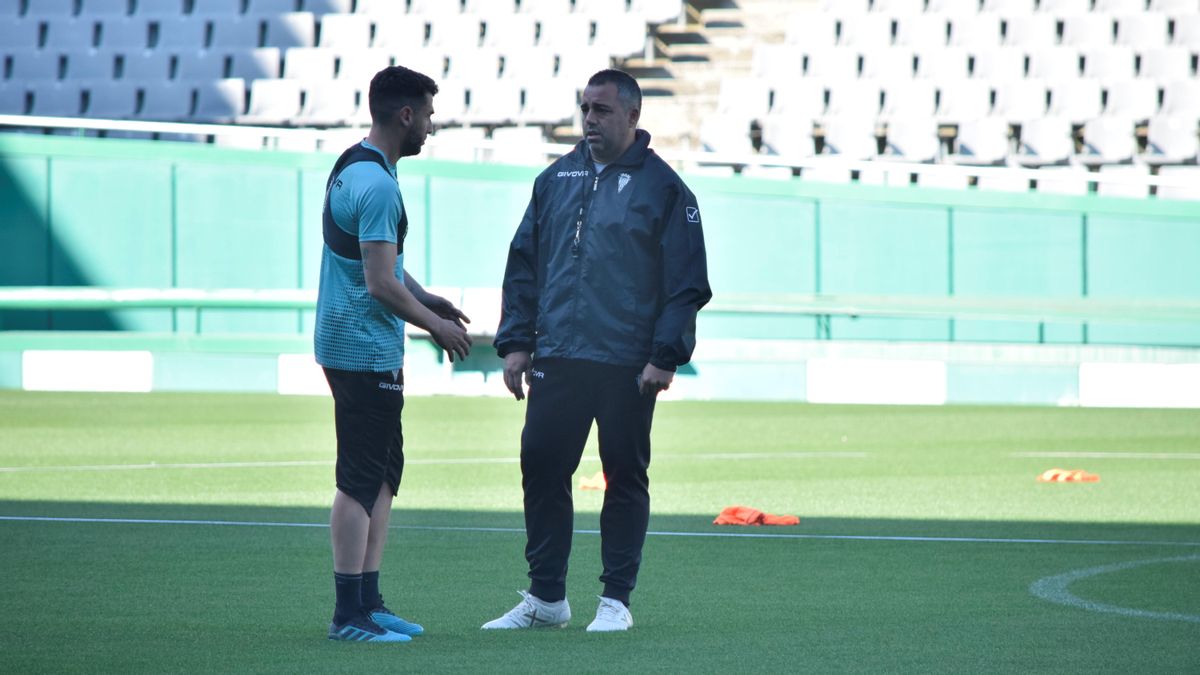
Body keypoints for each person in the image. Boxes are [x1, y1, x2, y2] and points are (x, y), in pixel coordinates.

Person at [482, 69, 711, 633]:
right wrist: (514, 343)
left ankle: (615, 600)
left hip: (627, 364)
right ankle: (546, 599)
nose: (590, 119)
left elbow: (686, 283)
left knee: (624, 476)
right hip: (557, 355)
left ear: (633, 116)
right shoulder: (554, 179)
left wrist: (665, 356)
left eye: (603, 110)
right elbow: (524, 266)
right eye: (586, 108)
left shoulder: (666, 189)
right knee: (540, 466)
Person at [315, 65, 472, 642]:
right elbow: (379, 284)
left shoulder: (355, 164)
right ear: (405, 115)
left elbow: (376, 266)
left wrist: (426, 297)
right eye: (428, 115)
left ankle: (369, 601)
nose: (431, 126)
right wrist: (435, 325)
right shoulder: (378, 184)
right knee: (359, 478)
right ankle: (347, 615)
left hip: (360, 344)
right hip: (361, 348)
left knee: (381, 474)